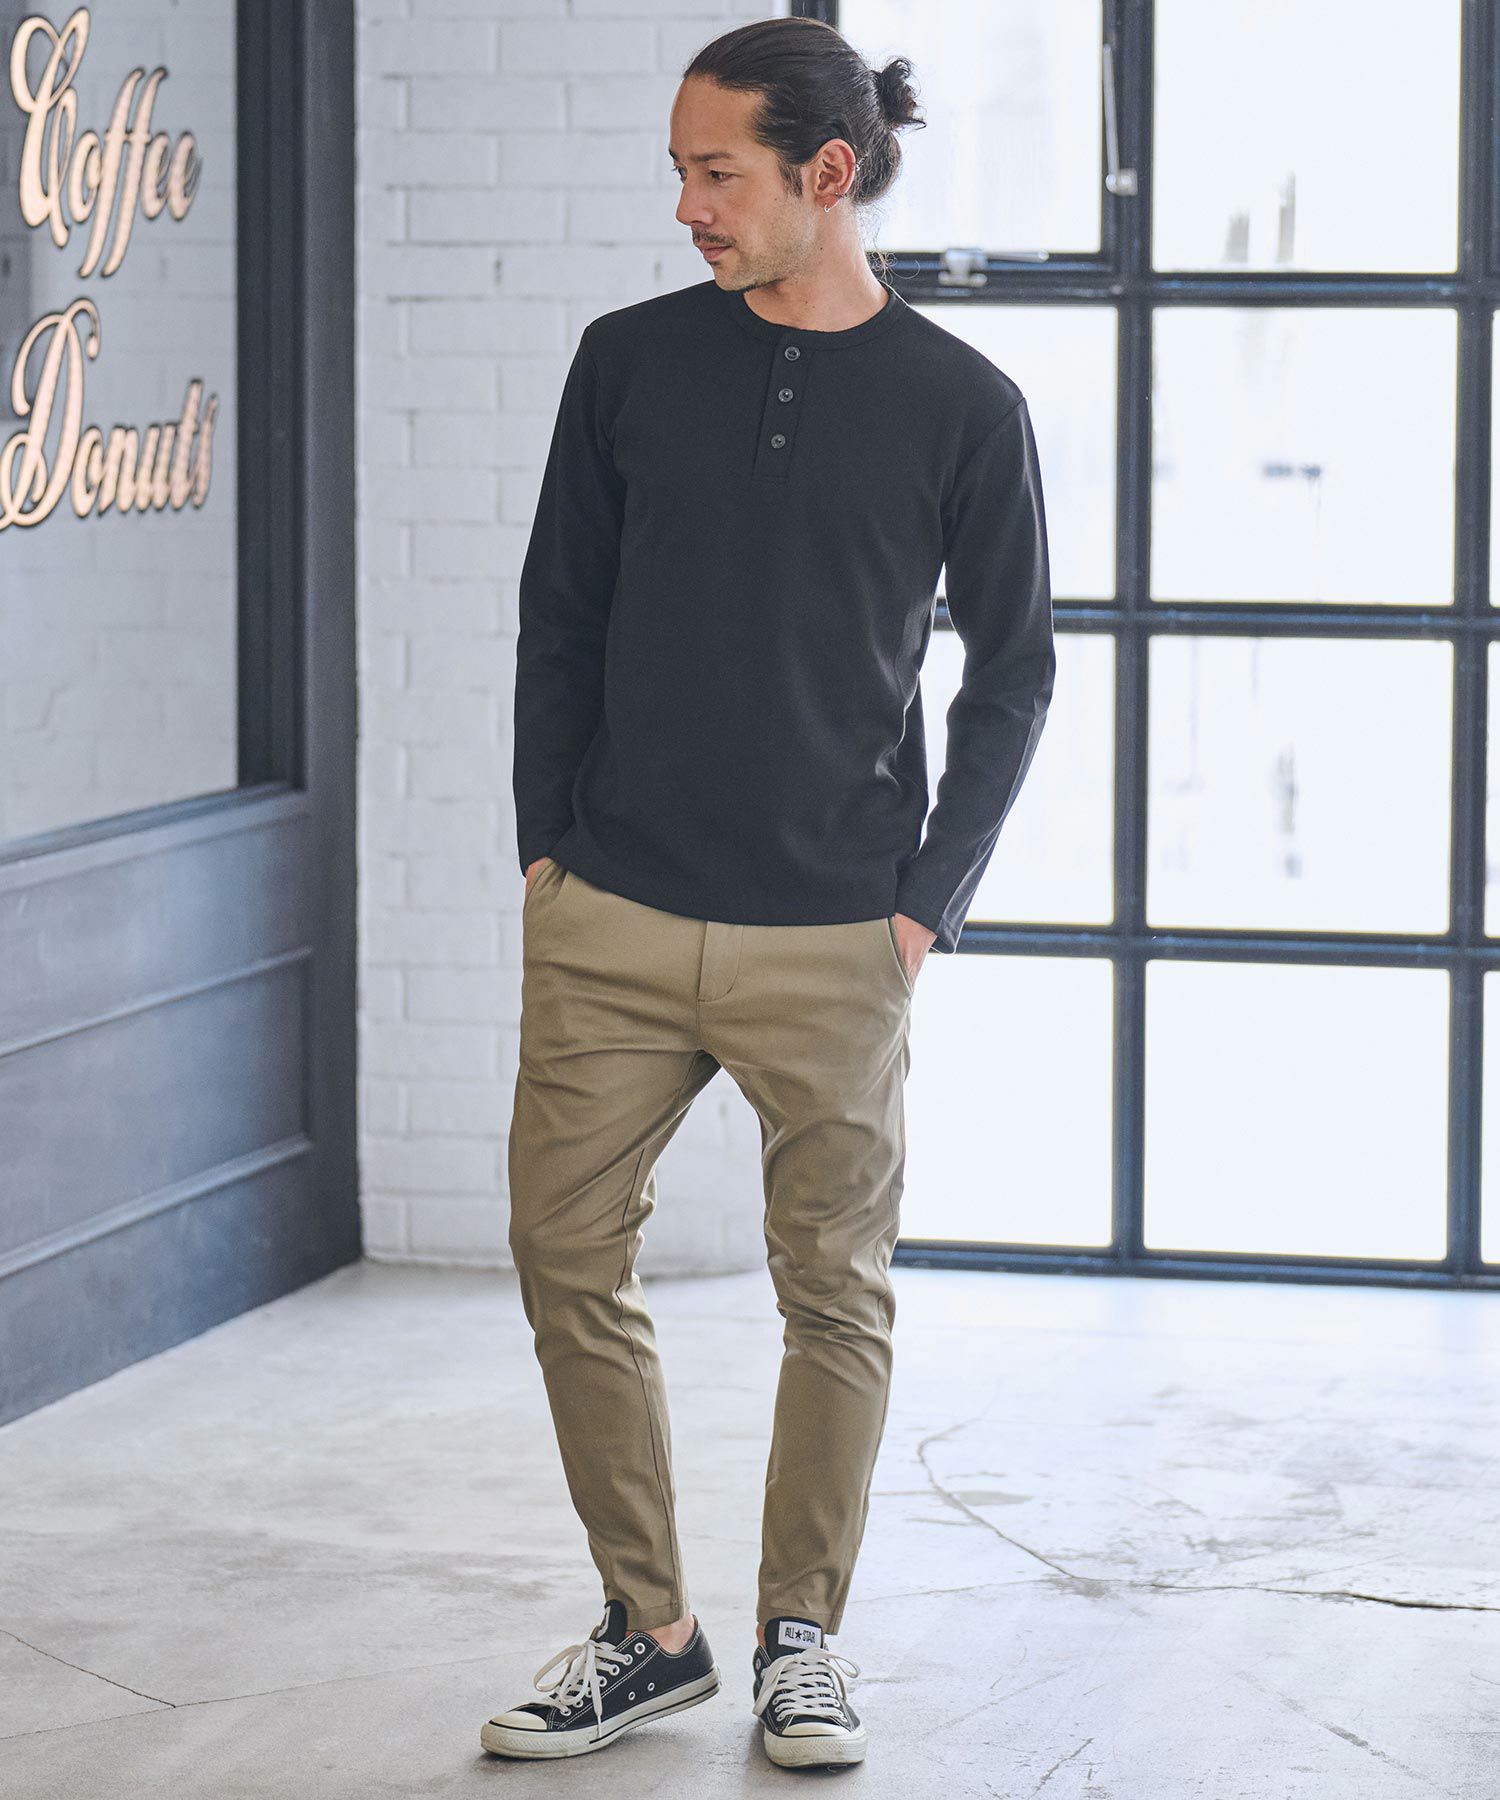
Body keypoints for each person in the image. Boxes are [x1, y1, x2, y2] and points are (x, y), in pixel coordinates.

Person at [481, 13, 1054, 1772]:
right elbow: (559, 619)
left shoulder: (966, 405)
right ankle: (648, 1634)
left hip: (838, 931)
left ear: (829, 173)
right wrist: (548, 851)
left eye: (716, 173)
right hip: (614, 912)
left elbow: (1016, 672)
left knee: (833, 1292)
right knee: (563, 1256)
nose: (688, 207)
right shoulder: (627, 362)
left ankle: (805, 1638)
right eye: (679, 171)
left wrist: (924, 905)